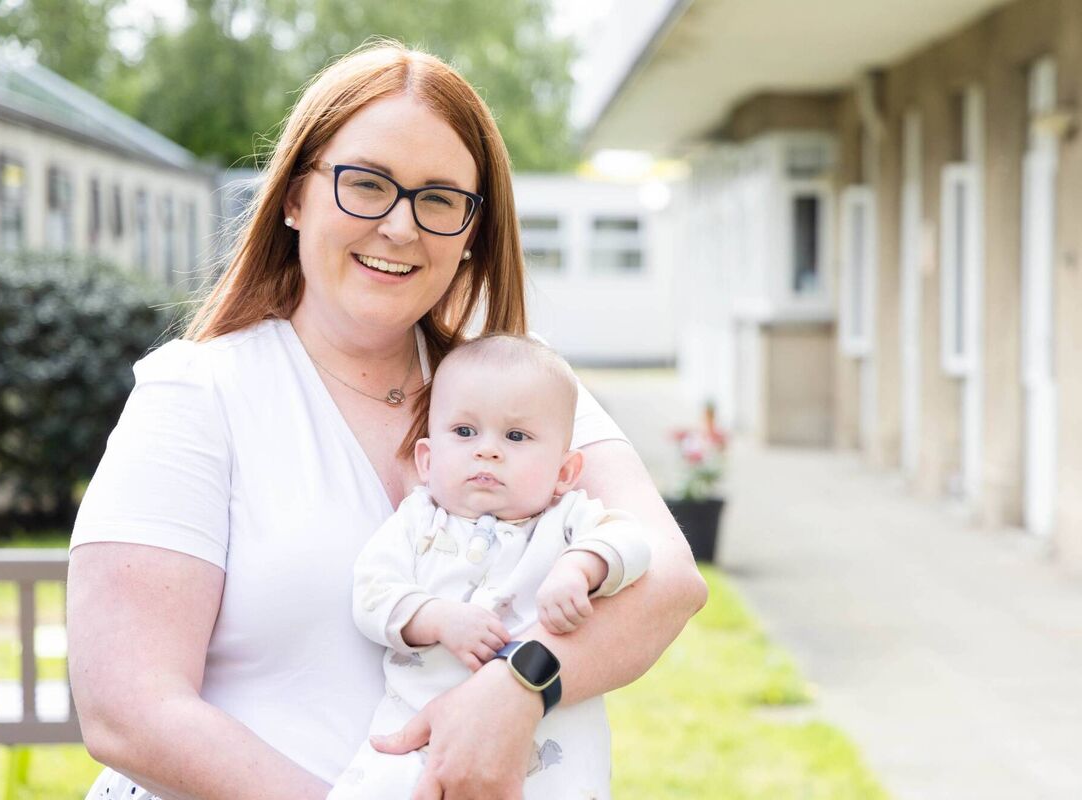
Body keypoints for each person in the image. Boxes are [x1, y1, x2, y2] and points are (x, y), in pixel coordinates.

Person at [67, 41, 707, 800]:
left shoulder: (518, 392)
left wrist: (520, 684)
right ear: (295, 199)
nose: (401, 226)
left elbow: (669, 580)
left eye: (439, 199)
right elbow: (129, 711)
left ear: (471, 233)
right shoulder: (198, 395)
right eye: (366, 184)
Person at [331, 334, 650, 799]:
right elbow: (372, 592)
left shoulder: (565, 520)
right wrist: (437, 618)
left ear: (564, 472)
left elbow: (632, 541)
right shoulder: (419, 520)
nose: (488, 450)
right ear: (427, 458)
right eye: (464, 432)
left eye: (516, 437)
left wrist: (580, 568)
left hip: (550, 746)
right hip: (417, 730)